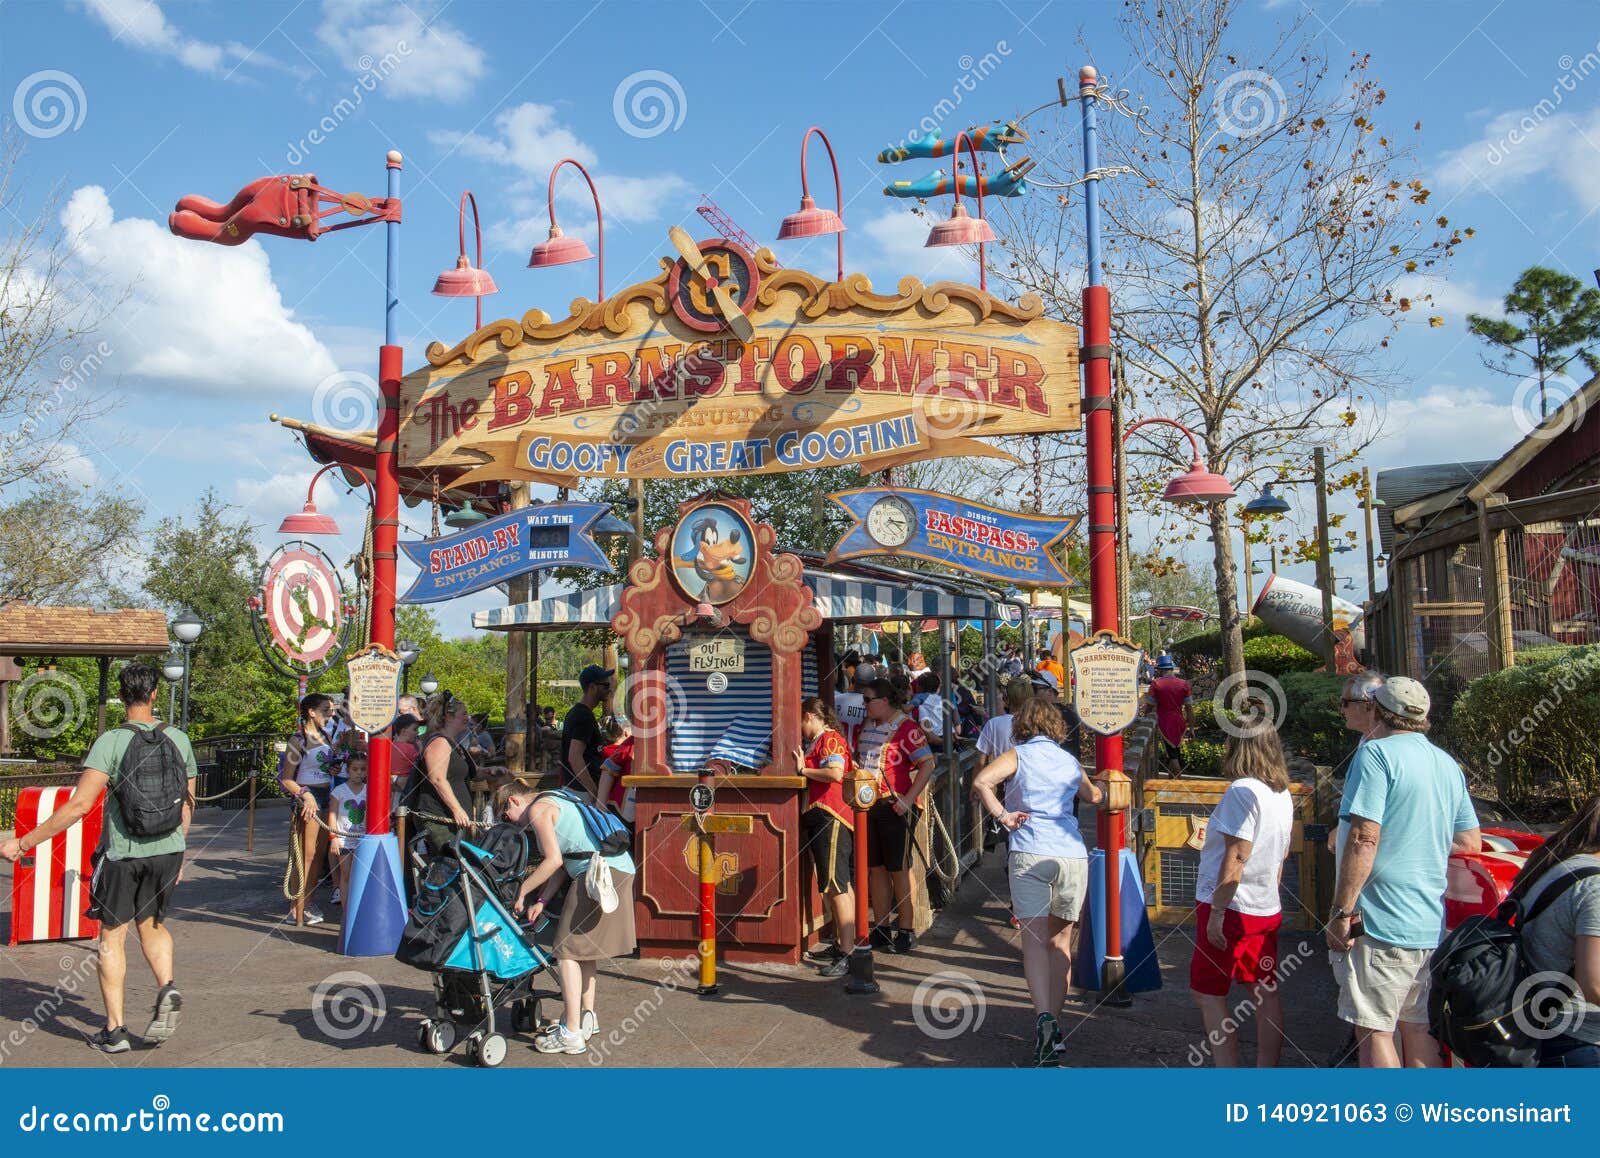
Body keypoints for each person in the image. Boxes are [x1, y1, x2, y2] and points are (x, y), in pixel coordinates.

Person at [2, 663, 196, 1053]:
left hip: (123, 854)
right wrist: (177, 846)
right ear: (155, 693)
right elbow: (188, 800)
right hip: (168, 850)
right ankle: (167, 987)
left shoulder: (111, 741)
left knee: (112, 937)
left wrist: (23, 844)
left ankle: (116, 1030)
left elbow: (78, 806)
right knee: (153, 925)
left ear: (121, 696)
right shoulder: (178, 738)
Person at [1326, 676, 1481, 1068]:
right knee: (1416, 1028)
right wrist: (1415, 838)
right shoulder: (1446, 764)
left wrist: (1342, 913)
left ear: (1376, 709)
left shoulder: (1375, 755)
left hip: (1378, 919)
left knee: (1375, 1031)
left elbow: (1364, 837)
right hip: (1427, 920)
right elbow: (1468, 842)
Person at [973, 697, 1101, 1066]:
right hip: (1070, 852)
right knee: (1061, 944)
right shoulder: (1069, 761)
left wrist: (1004, 815)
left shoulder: (1018, 755)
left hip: (1030, 850)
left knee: (1033, 944)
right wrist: (1105, 789)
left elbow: (982, 781)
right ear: (1056, 726)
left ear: (1023, 725)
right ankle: (1057, 1025)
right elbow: (1093, 796)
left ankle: (1043, 1018)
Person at [1188, 725, 1296, 1067]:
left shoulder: (1241, 791)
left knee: (1208, 993)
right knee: (1263, 990)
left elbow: (1237, 854)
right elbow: (1282, 853)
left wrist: (1217, 913)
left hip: (1231, 906)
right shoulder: (1282, 793)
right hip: (1263, 905)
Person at [503, 782, 637, 1056]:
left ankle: (571, 1033)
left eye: (506, 816)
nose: (512, 825)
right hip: (616, 869)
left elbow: (552, 861)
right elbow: (565, 861)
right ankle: (586, 1019)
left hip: (597, 874)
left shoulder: (540, 809)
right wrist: (542, 900)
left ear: (514, 801)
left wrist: (521, 892)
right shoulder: (559, 798)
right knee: (583, 952)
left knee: (566, 952)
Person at [1505, 793, 1600, 1067]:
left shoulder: (1558, 864)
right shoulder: (1594, 887)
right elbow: (1593, 984)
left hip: (1545, 1032)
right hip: (1580, 1043)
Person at [853, 676, 936, 953]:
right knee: (875, 869)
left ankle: (907, 929)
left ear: (884, 701)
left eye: (868, 700)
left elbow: (927, 763)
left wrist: (909, 799)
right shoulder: (866, 726)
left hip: (894, 805)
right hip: (869, 805)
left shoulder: (907, 728)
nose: (863, 705)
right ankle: (881, 926)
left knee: (898, 869)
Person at [794, 697, 858, 978]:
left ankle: (848, 952)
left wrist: (803, 770)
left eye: (801, 721)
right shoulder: (823, 740)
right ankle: (846, 945)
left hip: (831, 815)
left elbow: (834, 773)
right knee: (838, 883)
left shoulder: (829, 740)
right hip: (826, 815)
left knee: (836, 884)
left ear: (809, 716)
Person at [280, 692, 338, 926]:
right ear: (311, 712)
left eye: (331, 710)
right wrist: (305, 794)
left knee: (319, 854)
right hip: (308, 796)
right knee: (306, 854)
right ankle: (297, 905)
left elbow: (324, 767)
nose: (330, 714)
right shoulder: (299, 739)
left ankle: (308, 900)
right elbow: (286, 778)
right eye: (325, 709)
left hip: (326, 794)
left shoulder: (326, 736)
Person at [412, 691, 476, 854]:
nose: (467, 717)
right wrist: (457, 809)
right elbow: (437, 778)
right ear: (449, 717)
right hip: (440, 817)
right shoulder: (439, 743)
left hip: (456, 819)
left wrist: (491, 771)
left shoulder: (454, 743)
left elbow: (463, 772)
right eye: (464, 713)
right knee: (448, 863)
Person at [327, 750, 368, 915]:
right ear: (348, 770)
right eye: (355, 769)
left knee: (360, 874)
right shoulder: (339, 791)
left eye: (363, 769)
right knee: (346, 873)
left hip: (362, 837)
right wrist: (333, 837)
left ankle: (359, 908)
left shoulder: (368, 790)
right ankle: (346, 910)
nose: (359, 773)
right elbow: (332, 814)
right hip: (344, 837)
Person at [561, 665, 612, 796]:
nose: (609, 689)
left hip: (577, 788)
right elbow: (574, 756)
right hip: (582, 792)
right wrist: (593, 790)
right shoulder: (583, 716)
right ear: (592, 687)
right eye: (606, 685)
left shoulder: (577, 712)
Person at [1143, 654, 1192, 775]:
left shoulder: (1156, 684)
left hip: (1164, 722)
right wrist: (1191, 728)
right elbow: (1189, 709)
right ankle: (1172, 780)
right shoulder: (1184, 684)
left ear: (1160, 670)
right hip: (1179, 722)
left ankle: (1178, 785)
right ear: (1172, 668)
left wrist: (1144, 719)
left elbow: (1149, 706)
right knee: (1174, 753)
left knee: (1173, 756)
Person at [1030, 670, 1082, 757]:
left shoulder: (1065, 716)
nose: (1031, 693)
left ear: (1050, 692)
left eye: (1035, 689)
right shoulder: (1036, 713)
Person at [910, 671, 946, 743]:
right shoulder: (941, 699)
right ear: (937, 688)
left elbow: (909, 707)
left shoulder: (919, 697)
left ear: (919, 686)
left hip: (931, 737)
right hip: (944, 733)